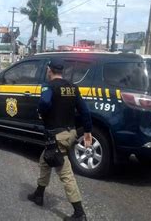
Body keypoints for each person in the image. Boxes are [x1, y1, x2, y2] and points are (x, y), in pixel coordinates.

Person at [29, 59, 92, 221]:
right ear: (61, 71)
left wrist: (41, 112)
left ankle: (79, 213)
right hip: (70, 133)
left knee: (65, 172)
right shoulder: (72, 87)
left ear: (49, 70)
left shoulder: (49, 86)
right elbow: (84, 111)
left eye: (47, 69)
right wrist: (87, 131)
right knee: (45, 160)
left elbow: (44, 102)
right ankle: (39, 194)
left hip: (56, 136)